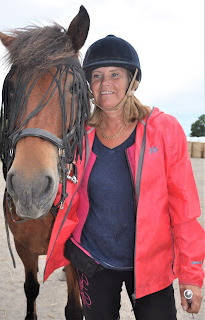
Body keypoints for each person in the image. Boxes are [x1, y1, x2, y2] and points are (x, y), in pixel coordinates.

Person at [44, 35, 204, 320]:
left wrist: (191, 275)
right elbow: (66, 195)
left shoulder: (164, 130)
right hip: (93, 262)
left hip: (152, 266)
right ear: (89, 86)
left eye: (115, 74)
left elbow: (184, 209)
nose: (105, 84)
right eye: (97, 76)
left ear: (133, 82)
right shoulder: (78, 135)